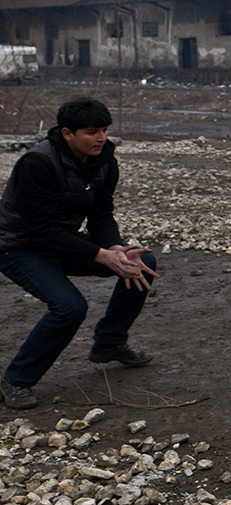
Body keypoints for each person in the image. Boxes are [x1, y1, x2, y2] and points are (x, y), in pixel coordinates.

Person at [0, 98, 158, 410]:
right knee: (69, 307)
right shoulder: (37, 163)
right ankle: (16, 379)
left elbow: (101, 214)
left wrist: (115, 248)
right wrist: (100, 256)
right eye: (92, 132)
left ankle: (109, 343)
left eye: (104, 130)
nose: (101, 138)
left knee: (142, 262)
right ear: (67, 133)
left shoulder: (104, 158)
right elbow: (40, 230)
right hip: (18, 246)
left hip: (61, 241)